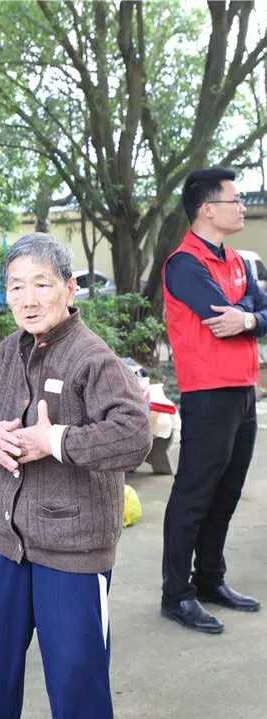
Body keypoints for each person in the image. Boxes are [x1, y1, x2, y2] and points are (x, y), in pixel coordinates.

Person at [0, 233, 152, 719]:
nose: (27, 299)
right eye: (15, 286)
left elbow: (135, 435)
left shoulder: (92, 357)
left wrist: (55, 440)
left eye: (41, 284)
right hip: (10, 545)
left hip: (73, 553)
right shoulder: (9, 351)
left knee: (76, 685)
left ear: (69, 288)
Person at [161, 167, 265, 634]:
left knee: (226, 492)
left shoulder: (238, 261)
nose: (242, 207)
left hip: (243, 390)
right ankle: (176, 594)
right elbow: (215, 315)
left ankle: (209, 579)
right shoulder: (185, 264)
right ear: (207, 209)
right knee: (194, 496)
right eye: (234, 200)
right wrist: (250, 313)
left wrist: (248, 319)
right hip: (207, 395)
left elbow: (254, 312)